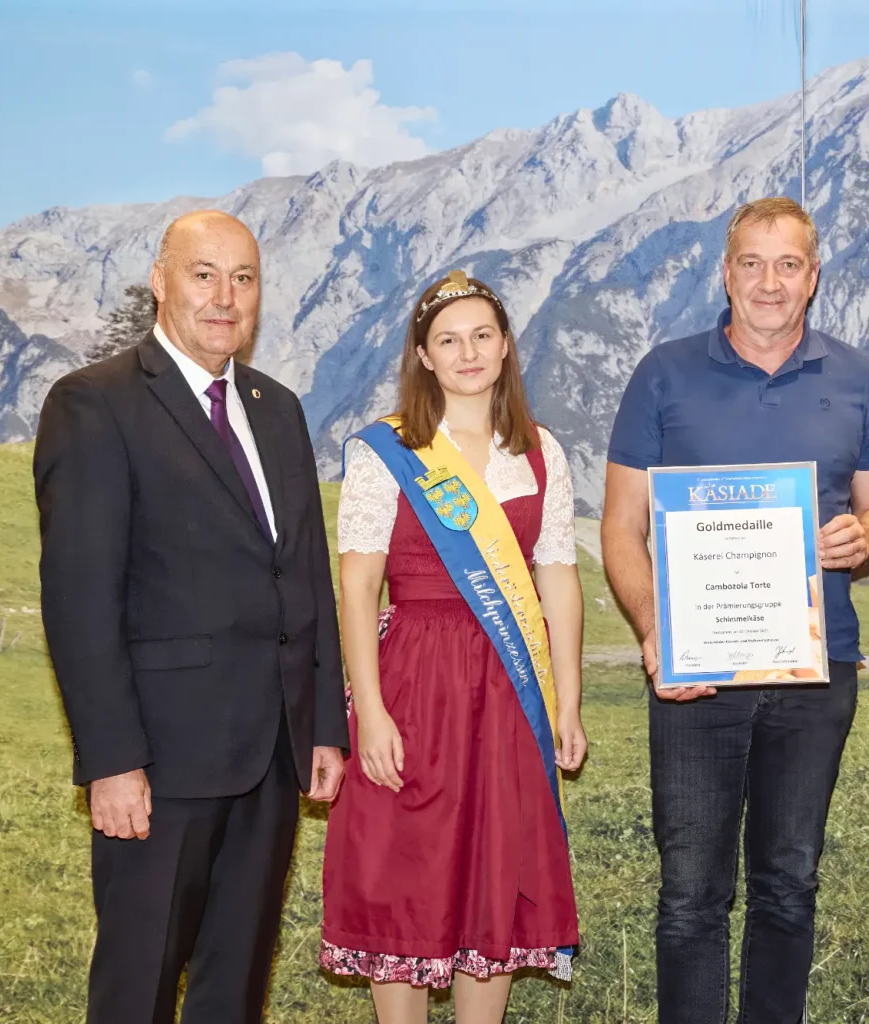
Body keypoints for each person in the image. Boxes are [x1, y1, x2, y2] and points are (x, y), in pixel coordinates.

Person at [33, 210, 347, 1024]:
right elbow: (79, 595)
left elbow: (305, 570)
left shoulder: (277, 408)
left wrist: (321, 725)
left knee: (235, 987)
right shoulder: (94, 404)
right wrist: (110, 760)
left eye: (243, 278)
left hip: (272, 756)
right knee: (139, 985)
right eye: (204, 274)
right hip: (159, 763)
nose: (225, 297)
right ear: (160, 282)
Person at [601, 197, 869, 1024]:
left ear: (814, 276)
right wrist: (657, 632)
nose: (770, 283)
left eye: (789, 264)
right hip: (698, 671)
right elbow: (621, 527)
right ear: (725, 273)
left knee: (789, 882)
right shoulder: (663, 372)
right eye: (752, 264)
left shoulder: (857, 375)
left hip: (817, 671)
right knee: (691, 893)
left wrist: (860, 542)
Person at [319, 272, 586, 1024]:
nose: (467, 352)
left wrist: (567, 702)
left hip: (508, 688)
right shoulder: (388, 449)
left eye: (482, 335)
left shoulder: (540, 454)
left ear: (504, 347)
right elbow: (358, 585)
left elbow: (557, 578)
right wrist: (367, 710)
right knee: (402, 867)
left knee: (490, 868)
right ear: (424, 356)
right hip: (412, 681)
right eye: (448, 340)